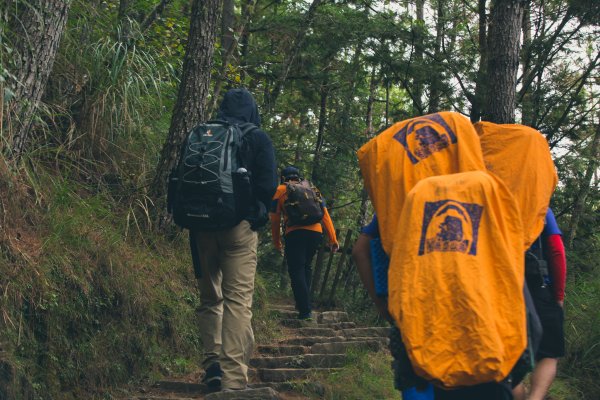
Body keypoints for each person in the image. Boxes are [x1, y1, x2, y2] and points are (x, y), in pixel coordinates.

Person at [192, 88, 277, 391]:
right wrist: (258, 210)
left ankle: (212, 365)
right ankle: (232, 378)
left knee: (209, 299)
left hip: (200, 228)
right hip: (238, 229)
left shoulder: (205, 134)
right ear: (252, 110)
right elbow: (268, 186)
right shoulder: (257, 137)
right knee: (237, 302)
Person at [270, 166, 339, 320]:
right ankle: (304, 304)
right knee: (306, 267)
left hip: (295, 233)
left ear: (284, 178)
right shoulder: (312, 189)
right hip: (315, 233)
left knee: (296, 270)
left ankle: (305, 310)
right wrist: (333, 239)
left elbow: (274, 218)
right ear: (298, 177)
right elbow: (325, 214)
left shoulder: (281, 190)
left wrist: (277, 241)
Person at [513, 208, 567, 400]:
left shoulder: (494, 201)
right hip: (539, 286)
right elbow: (555, 249)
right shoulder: (541, 206)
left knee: (507, 359)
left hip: (504, 287)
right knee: (549, 353)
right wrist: (558, 296)